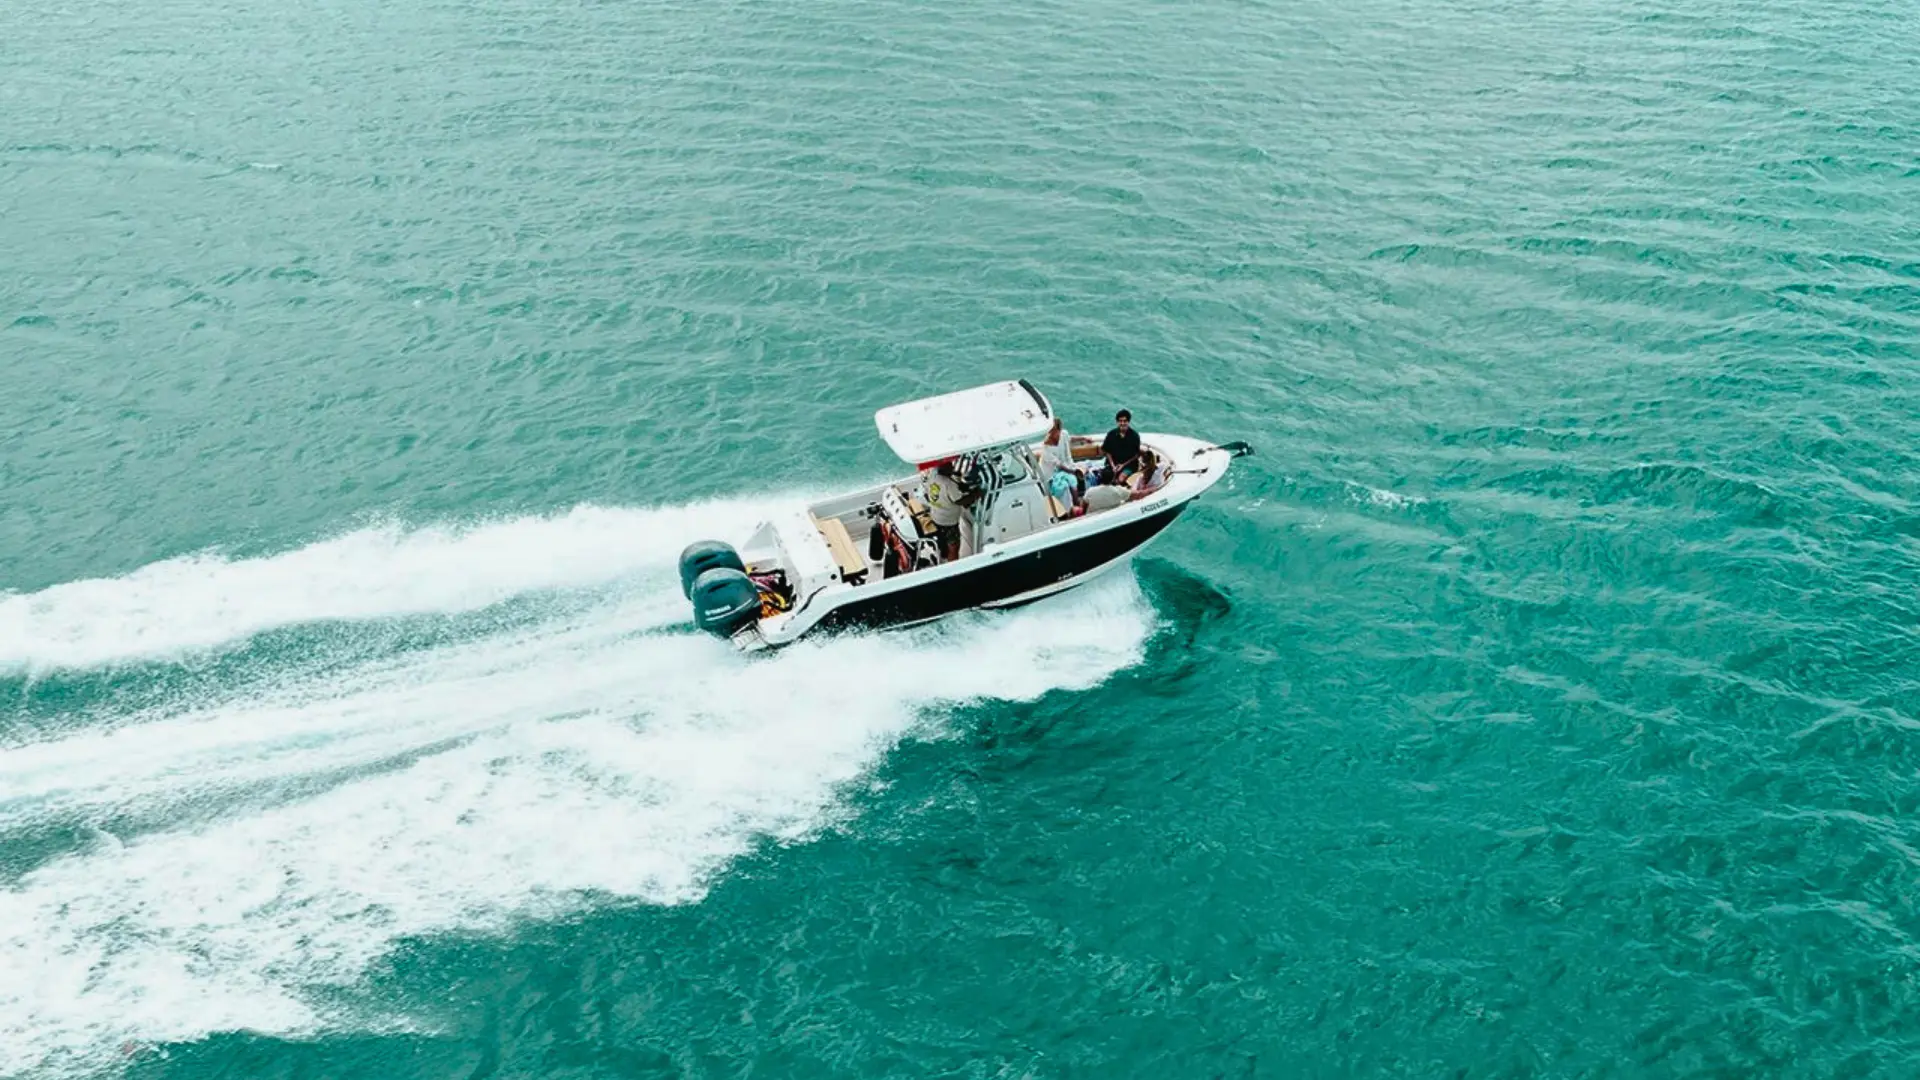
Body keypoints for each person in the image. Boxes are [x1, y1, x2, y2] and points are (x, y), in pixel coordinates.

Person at [922, 459, 978, 561]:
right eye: (950, 466)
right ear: (945, 468)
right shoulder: (949, 483)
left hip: (936, 517)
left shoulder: (932, 476)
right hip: (949, 522)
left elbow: (927, 494)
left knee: (942, 540)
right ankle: (953, 565)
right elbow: (960, 501)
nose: (952, 467)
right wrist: (975, 495)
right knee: (954, 546)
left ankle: (943, 555)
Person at [1098, 409, 1142, 486]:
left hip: (1129, 465)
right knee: (1103, 477)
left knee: (1120, 479)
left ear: (1128, 422)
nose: (1122, 423)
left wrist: (1123, 465)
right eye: (1120, 421)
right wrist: (1112, 465)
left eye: (1125, 421)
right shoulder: (1111, 434)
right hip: (1113, 464)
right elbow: (1107, 451)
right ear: (1117, 422)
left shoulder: (1134, 436)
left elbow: (1137, 455)